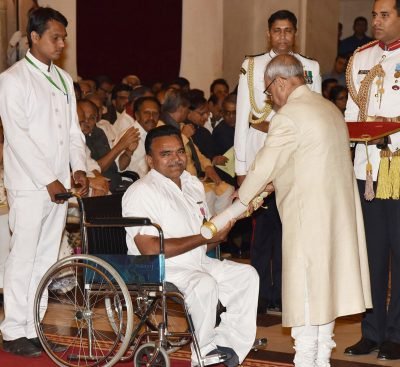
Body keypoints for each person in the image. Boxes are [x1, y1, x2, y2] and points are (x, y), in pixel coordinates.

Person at [237, 54, 371, 367]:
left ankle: (308, 361)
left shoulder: (289, 115)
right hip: (336, 221)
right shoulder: (329, 109)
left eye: (270, 92)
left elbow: (263, 168)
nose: (272, 99)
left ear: (281, 81)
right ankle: (321, 360)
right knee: (324, 296)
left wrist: (241, 203)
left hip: (307, 220)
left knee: (306, 297)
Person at [122, 125, 259, 366]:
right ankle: (203, 350)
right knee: (203, 284)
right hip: (159, 268)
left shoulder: (192, 183)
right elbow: (150, 249)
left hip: (196, 260)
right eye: (166, 154)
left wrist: (219, 233)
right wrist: (204, 238)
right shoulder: (140, 192)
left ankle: (227, 342)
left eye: (180, 151)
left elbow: (201, 237)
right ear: (150, 160)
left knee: (246, 275)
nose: (176, 158)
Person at [0, 7, 89, 357]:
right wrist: (49, 179)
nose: (61, 43)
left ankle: (32, 326)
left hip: (58, 185)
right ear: (34, 37)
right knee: (22, 257)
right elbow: (18, 137)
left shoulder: (64, 80)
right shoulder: (12, 79)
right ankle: (11, 330)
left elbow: (72, 131)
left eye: (64, 37)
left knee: (46, 257)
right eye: (55, 36)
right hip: (29, 185)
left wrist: (77, 167)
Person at [235, 9, 321, 313]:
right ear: (268, 34)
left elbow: (316, 116)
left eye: (288, 31)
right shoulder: (253, 66)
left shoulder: (310, 67)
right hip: (263, 161)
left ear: (295, 33)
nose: (282, 37)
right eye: (276, 31)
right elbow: (244, 122)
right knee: (261, 236)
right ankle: (259, 296)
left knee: (292, 233)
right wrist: (241, 170)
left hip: (296, 165)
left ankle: (287, 295)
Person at [344, 0, 400, 360]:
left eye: (385, 16)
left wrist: (389, 135)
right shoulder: (361, 57)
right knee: (371, 257)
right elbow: (351, 114)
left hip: (398, 166)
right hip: (368, 171)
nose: (376, 22)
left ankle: (396, 333)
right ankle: (372, 330)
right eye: (375, 15)